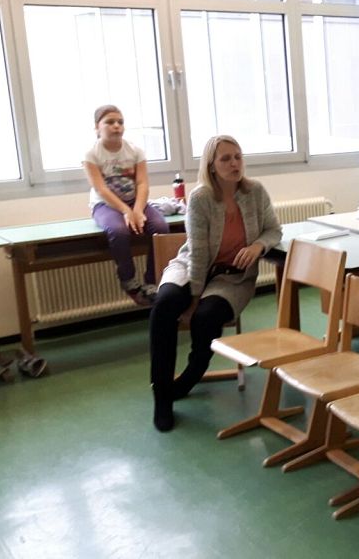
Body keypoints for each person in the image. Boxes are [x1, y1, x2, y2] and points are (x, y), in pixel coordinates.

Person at [148, 135, 280, 432]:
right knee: (165, 305)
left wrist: (258, 246)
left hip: (232, 278)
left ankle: (190, 376)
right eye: (225, 159)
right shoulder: (200, 198)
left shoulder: (255, 191)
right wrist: (194, 298)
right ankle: (162, 396)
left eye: (238, 156)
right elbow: (198, 253)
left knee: (207, 317)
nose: (234, 164)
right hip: (192, 267)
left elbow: (274, 230)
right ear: (211, 166)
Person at [83, 105, 169, 306]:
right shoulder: (92, 154)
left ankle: (152, 281)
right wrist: (126, 211)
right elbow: (101, 189)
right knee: (119, 231)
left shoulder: (135, 151)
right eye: (110, 122)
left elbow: (142, 183)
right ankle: (128, 280)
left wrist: (137, 209)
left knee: (160, 227)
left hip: (135, 202)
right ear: (97, 127)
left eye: (120, 122)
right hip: (105, 205)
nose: (116, 126)